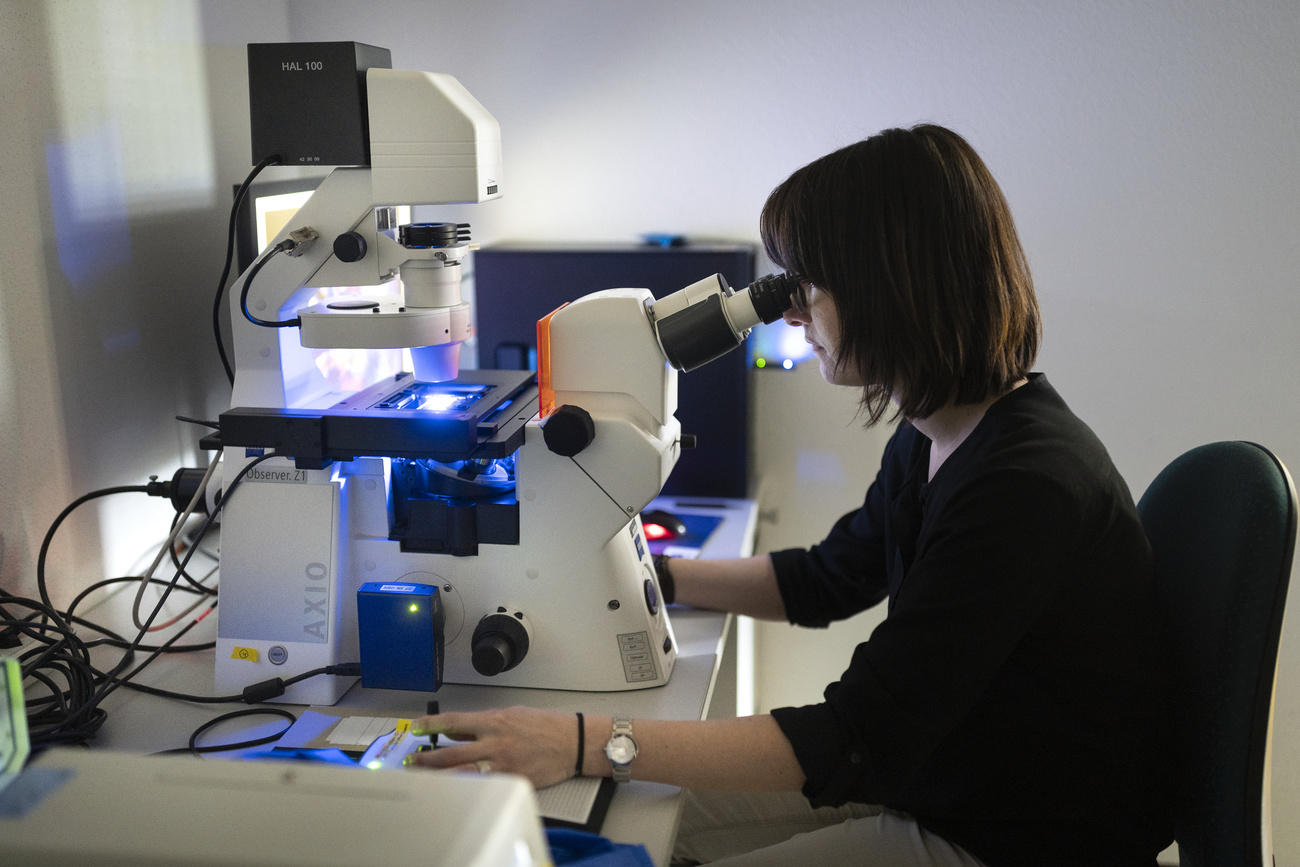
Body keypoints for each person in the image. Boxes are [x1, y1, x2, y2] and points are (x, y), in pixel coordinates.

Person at [407, 124, 1175, 866]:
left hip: (1013, 837)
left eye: (811, 284)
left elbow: (851, 737)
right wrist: (644, 577)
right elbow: (824, 578)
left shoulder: (1023, 487)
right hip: (945, 782)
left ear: (891, 286)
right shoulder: (939, 432)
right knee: (629, 820)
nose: (794, 311)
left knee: (622, 802)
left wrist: (582, 738)